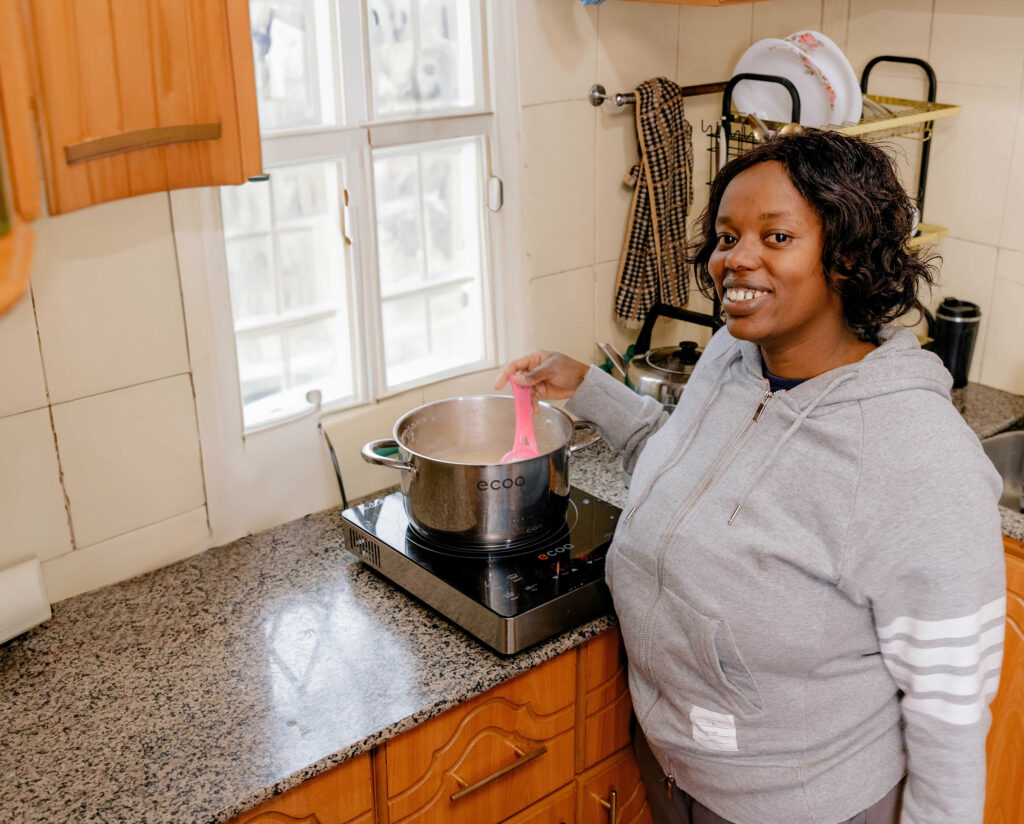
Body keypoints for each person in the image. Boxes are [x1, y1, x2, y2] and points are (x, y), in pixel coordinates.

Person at [495, 130, 1005, 824]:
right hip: (674, 766)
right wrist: (587, 389)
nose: (735, 260)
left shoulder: (916, 456)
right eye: (727, 236)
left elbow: (950, 702)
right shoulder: (735, 359)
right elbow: (679, 474)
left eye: (777, 236)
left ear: (848, 256)